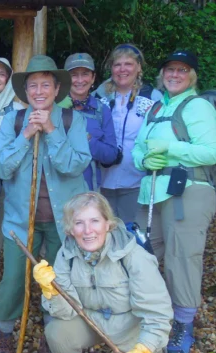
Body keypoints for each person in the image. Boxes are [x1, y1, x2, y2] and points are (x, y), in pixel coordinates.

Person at [0, 55, 91, 353]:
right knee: (13, 283)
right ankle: (4, 336)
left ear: (57, 87)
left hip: (64, 223)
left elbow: (75, 164)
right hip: (21, 222)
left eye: (45, 84)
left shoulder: (73, 121)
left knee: (58, 282)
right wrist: (25, 137)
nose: (39, 90)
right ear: (25, 91)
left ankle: (53, 339)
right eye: (32, 85)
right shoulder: (13, 121)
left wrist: (51, 130)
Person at [33, 192, 172, 353]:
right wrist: (51, 291)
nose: (88, 230)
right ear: (70, 229)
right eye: (79, 223)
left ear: (108, 224)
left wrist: (143, 349)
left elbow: (158, 314)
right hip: (93, 322)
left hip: (133, 331)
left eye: (95, 221)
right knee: (56, 331)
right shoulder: (65, 255)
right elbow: (65, 311)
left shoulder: (134, 257)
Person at [133, 50, 216, 353]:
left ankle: (183, 324)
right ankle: (153, 315)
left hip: (188, 191)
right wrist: (144, 157)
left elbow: (210, 152)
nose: (174, 75)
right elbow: (137, 148)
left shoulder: (198, 107)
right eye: (170, 69)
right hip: (152, 191)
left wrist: (168, 148)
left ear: (192, 75)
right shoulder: (156, 106)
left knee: (182, 257)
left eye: (182, 70)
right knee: (142, 254)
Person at [93, 44, 163, 223]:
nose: (122, 69)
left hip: (137, 182)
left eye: (128, 64)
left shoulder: (153, 97)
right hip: (100, 182)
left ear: (139, 67)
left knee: (132, 236)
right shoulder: (97, 97)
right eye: (117, 64)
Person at [60, 53, 119, 190]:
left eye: (85, 74)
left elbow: (110, 155)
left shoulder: (101, 110)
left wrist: (87, 139)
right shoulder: (54, 107)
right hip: (57, 188)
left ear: (93, 78)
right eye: (74, 74)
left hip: (88, 188)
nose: (80, 80)